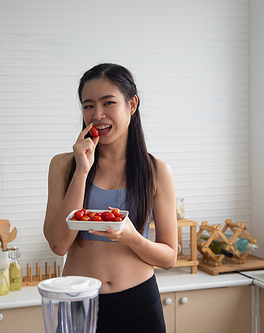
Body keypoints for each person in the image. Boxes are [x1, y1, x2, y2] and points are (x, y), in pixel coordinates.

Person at [43, 63, 178, 333]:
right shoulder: (63, 166)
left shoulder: (156, 171)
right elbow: (58, 245)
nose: (98, 115)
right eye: (88, 105)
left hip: (138, 304)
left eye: (109, 102)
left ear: (132, 104)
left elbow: (168, 257)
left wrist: (132, 238)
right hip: (78, 302)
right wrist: (82, 171)